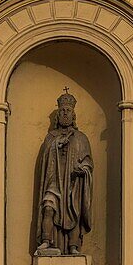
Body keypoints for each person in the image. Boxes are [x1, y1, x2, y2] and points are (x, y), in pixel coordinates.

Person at [36, 89, 93, 255]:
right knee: (48, 207)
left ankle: (73, 246)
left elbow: (88, 162)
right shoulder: (50, 137)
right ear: (58, 115)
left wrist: (82, 170)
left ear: (73, 115)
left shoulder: (81, 138)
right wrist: (55, 145)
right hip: (54, 181)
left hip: (73, 183)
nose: (65, 114)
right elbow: (44, 161)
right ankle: (46, 240)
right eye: (62, 111)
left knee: (73, 212)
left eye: (68, 111)